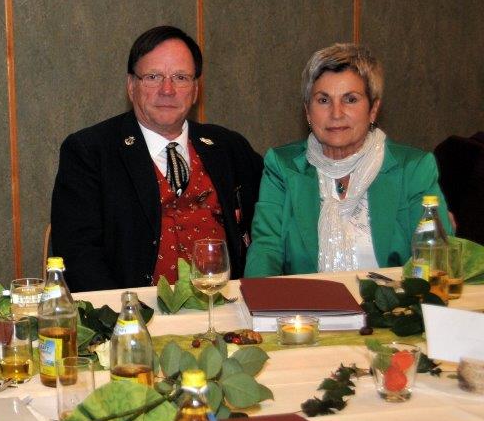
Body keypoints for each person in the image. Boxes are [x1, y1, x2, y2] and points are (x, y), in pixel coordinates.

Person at [51, 25, 264, 292]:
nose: (167, 90)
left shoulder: (230, 147)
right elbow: (78, 255)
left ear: (195, 90)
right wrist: (127, 311)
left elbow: (270, 233)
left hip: (222, 306)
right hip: (132, 310)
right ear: (131, 86)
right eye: (153, 77)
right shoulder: (90, 152)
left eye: (181, 77)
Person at [245, 43, 451, 276]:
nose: (336, 113)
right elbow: (265, 250)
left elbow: (436, 260)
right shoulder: (282, 167)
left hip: (394, 299)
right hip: (307, 299)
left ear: (373, 109)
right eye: (323, 100)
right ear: (307, 112)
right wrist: (262, 296)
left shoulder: (413, 169)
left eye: (350, 99)